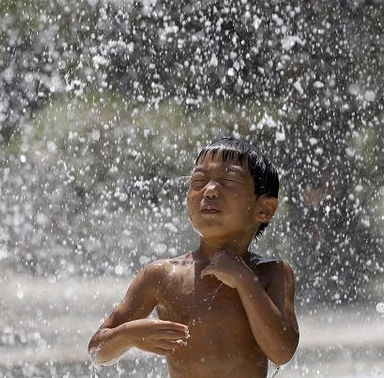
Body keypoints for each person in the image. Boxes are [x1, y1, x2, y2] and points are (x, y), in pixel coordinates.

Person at [88, 137, 299, 377]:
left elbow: (282, 351)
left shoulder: (272, 273)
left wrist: (244, 280)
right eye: (198, 181)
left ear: (265, 209)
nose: (209, 190)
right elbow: (97, 350)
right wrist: (127, 335)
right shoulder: (162, 275)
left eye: (229, 181)